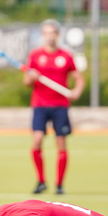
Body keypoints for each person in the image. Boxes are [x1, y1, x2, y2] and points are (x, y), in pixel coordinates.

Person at [25, 19, 85, 195]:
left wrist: (76, 91)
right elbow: (26, 82)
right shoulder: (35, 56)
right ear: (42, 35)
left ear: (57, 35)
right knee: (36, 141)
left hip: (60, 105)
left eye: (52, 33)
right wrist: (32, 77)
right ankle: (41, 181)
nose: (49, 36)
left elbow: (79, 78)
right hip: (40, 105)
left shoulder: (65, 56)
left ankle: (59, 184)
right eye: (46, 33)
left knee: (61, 143)